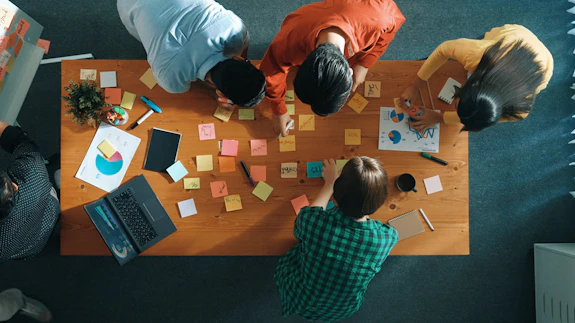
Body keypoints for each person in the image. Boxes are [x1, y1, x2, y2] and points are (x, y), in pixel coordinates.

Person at [275, 157, 398, 322]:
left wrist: (329, 184)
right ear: (381, 201)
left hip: (302, 299)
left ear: (335, 195)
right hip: (344, 309)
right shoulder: (387, 238)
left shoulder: (313, 222)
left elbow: (302, 225)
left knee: (298, 251)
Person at [260, 0, 405, 136]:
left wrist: (365, 63)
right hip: (309, 25)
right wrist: (278, 109)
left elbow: (390, 29)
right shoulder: (288, 41)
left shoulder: (381, 17)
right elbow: (271, 72)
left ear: (350, 70)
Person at [401, 24, 554, 132]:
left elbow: (481, 116)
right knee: (458, 53)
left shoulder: (520, 111)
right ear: (472, 85)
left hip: (542, 68)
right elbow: (443, 50)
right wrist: (415, 85)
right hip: (514, 37)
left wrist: (439, 117)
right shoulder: (478, 54)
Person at [117, 0, 266, 109]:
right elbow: (187, 87)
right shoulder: (169, 78)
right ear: (219, 92)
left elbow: (244, 42)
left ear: (238, 58)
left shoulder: (234, 28)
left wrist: (241, 69)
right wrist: (214, 94)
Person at [0, 120, 60, 263]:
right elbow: (20, 141)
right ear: (14, 186)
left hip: (26, 247)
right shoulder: (32, 171)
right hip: (48, 212)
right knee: (59, 162)